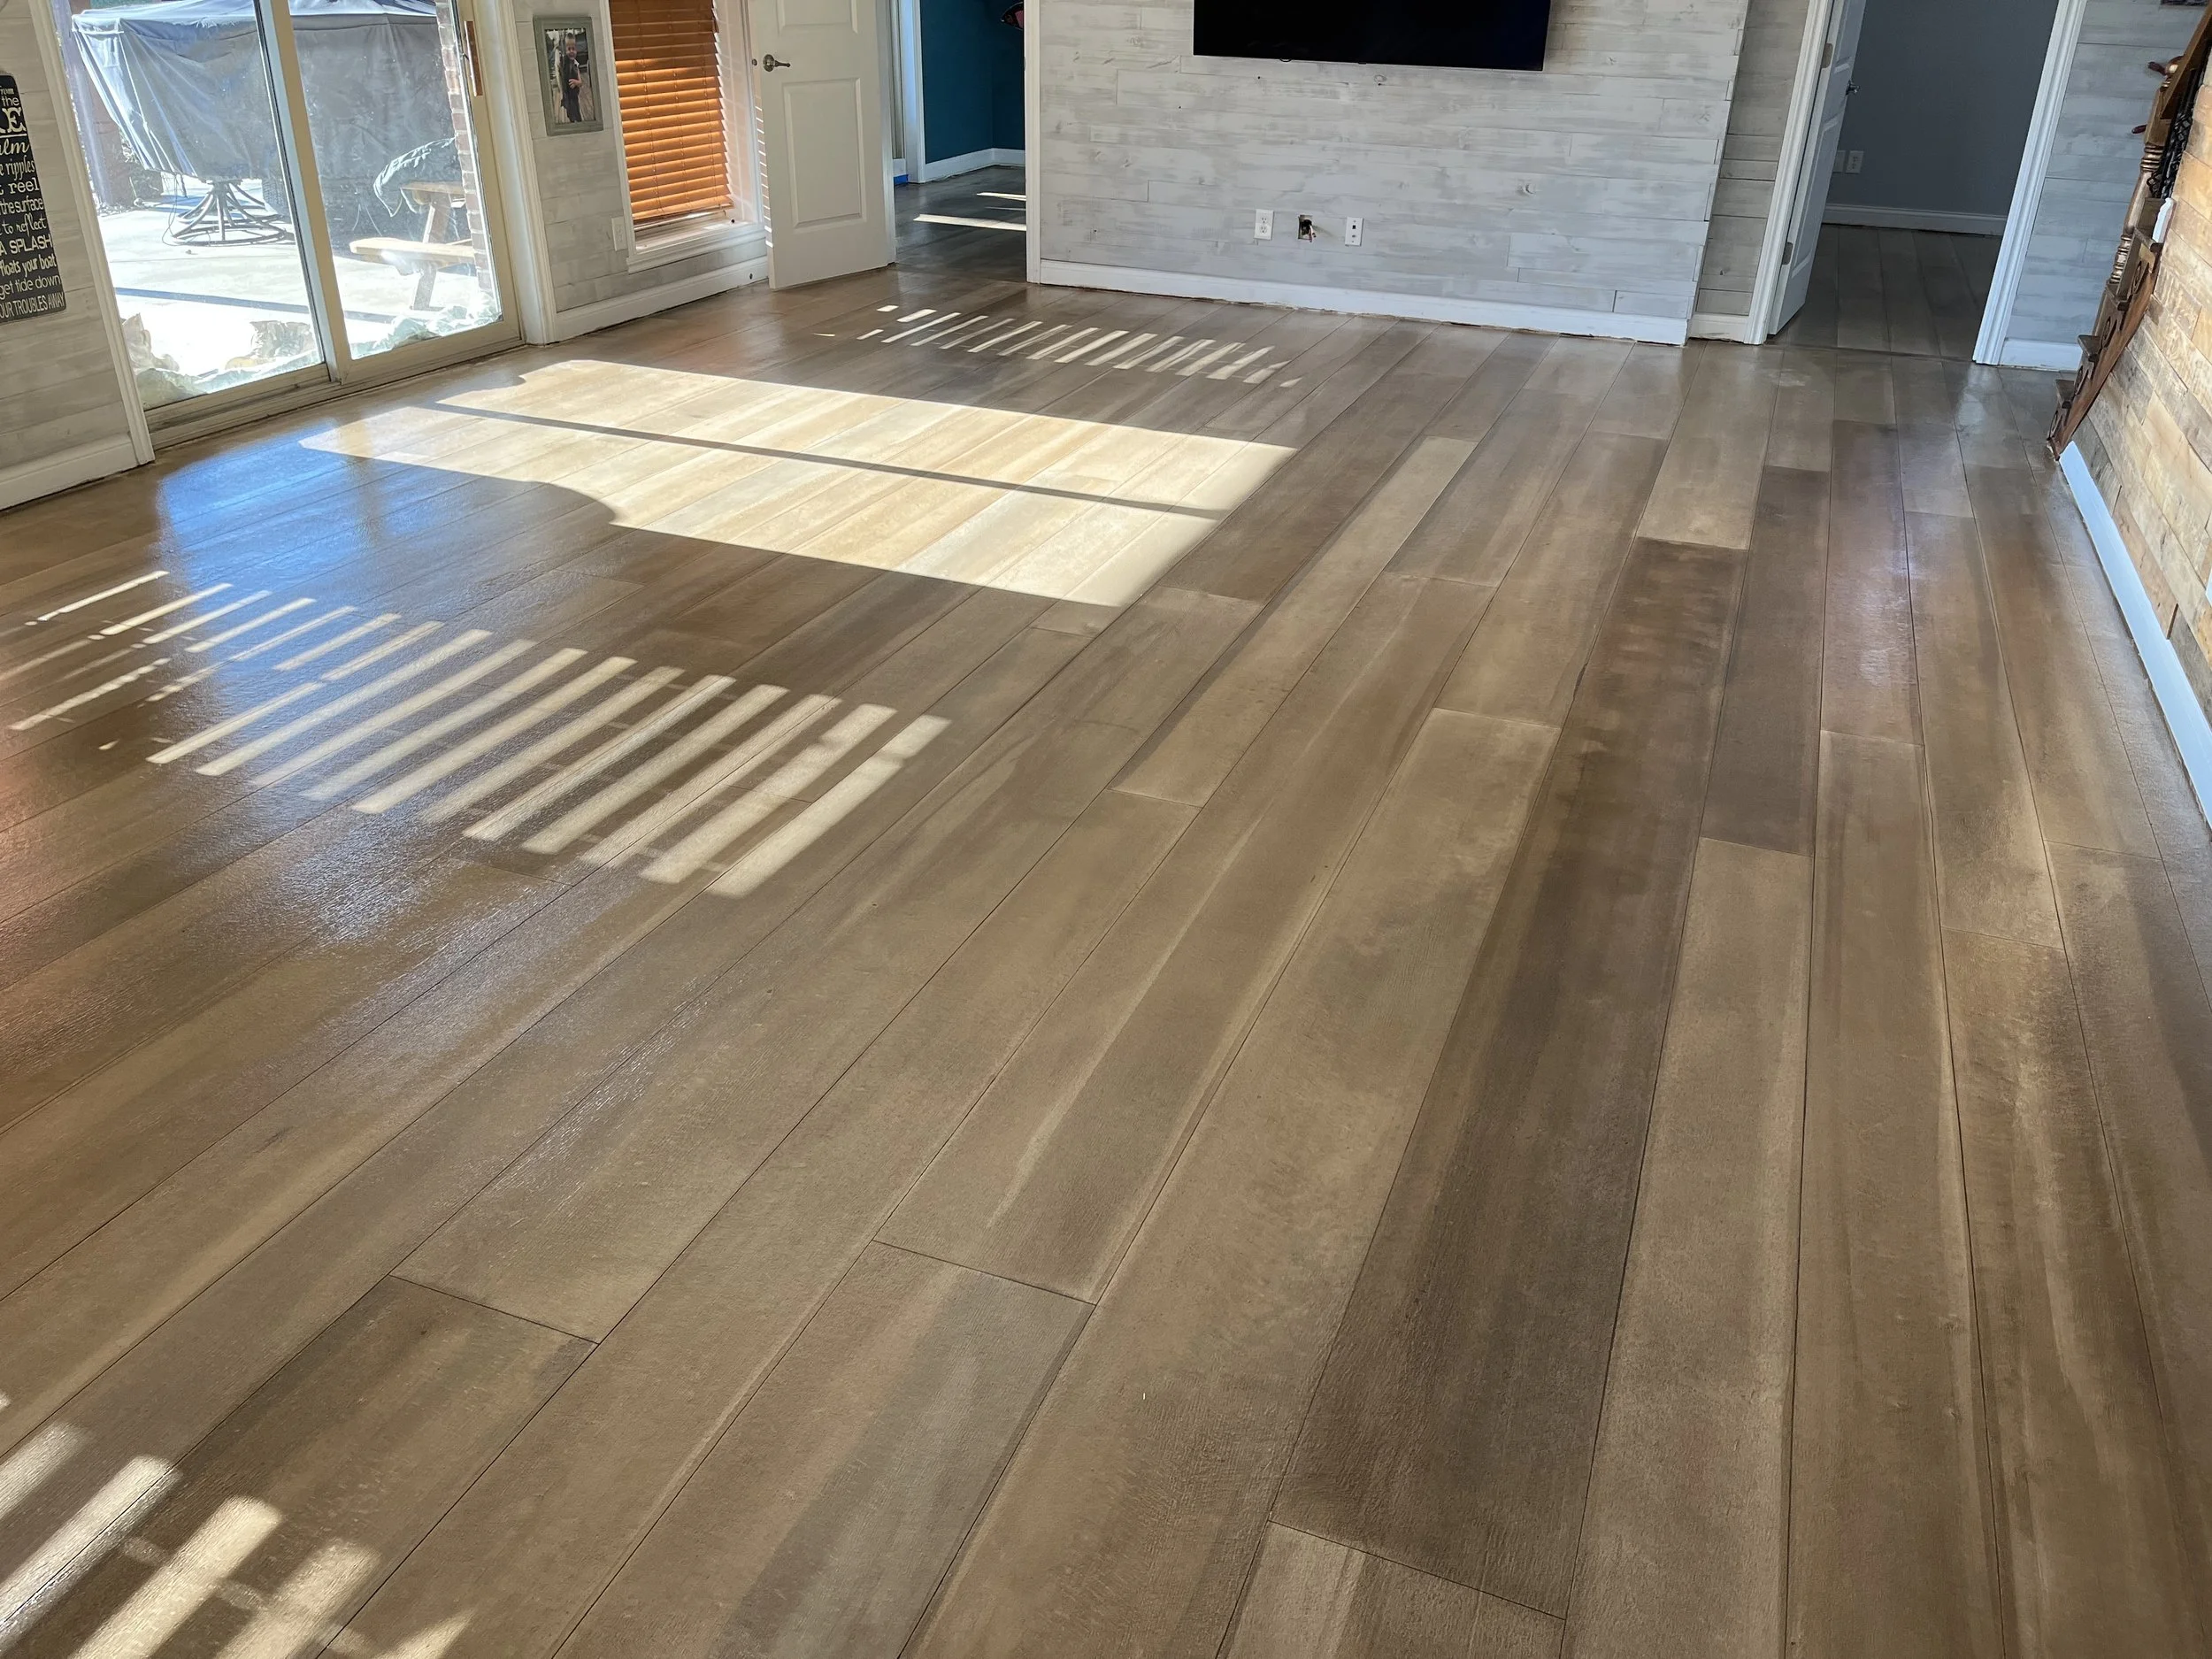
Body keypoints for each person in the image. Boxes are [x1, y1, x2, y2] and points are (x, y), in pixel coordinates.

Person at [558, 35, 588, 124]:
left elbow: (581, 83)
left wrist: (576, 82)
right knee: (570, 114)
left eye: (573, 49)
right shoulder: (564, 62)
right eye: (568, 49)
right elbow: (560, 64)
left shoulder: (575, 64)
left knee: (577, 114)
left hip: (574, 97)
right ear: (565, 50)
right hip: (567, 95)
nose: (571, 51)